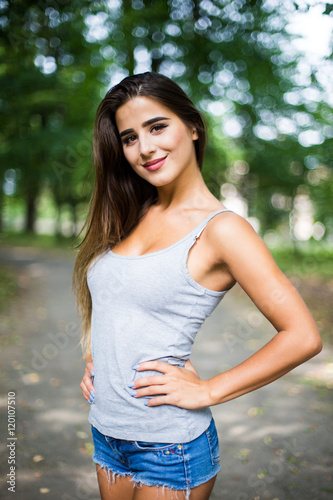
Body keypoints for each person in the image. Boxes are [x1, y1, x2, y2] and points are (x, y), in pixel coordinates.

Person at [72, 71, 322, 500]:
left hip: (170, 446)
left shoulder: (223, 230)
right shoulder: (132, 212)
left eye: (157, 127)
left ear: (192, 126)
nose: (145, 148)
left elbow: (303, 336)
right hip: (108, 433)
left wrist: (208, 389)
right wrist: (101, 357)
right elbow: (118, 299)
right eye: (129, 137)